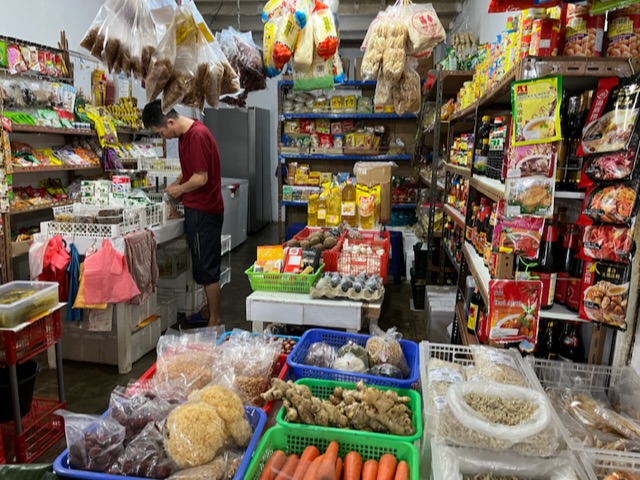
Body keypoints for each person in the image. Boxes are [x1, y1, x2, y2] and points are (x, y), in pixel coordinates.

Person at [142, 100, 223, 327]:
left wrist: (180, 189)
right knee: (202, 265)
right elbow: (190, 171)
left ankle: (215, 320)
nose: (164, 137)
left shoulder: (196, 136)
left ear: (170, 122)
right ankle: (208, 312)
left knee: (207, 269)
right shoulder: (185, 135)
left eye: (161, 132)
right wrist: (177, 182)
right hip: (198, 208)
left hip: (204, 210)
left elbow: (201, 178)